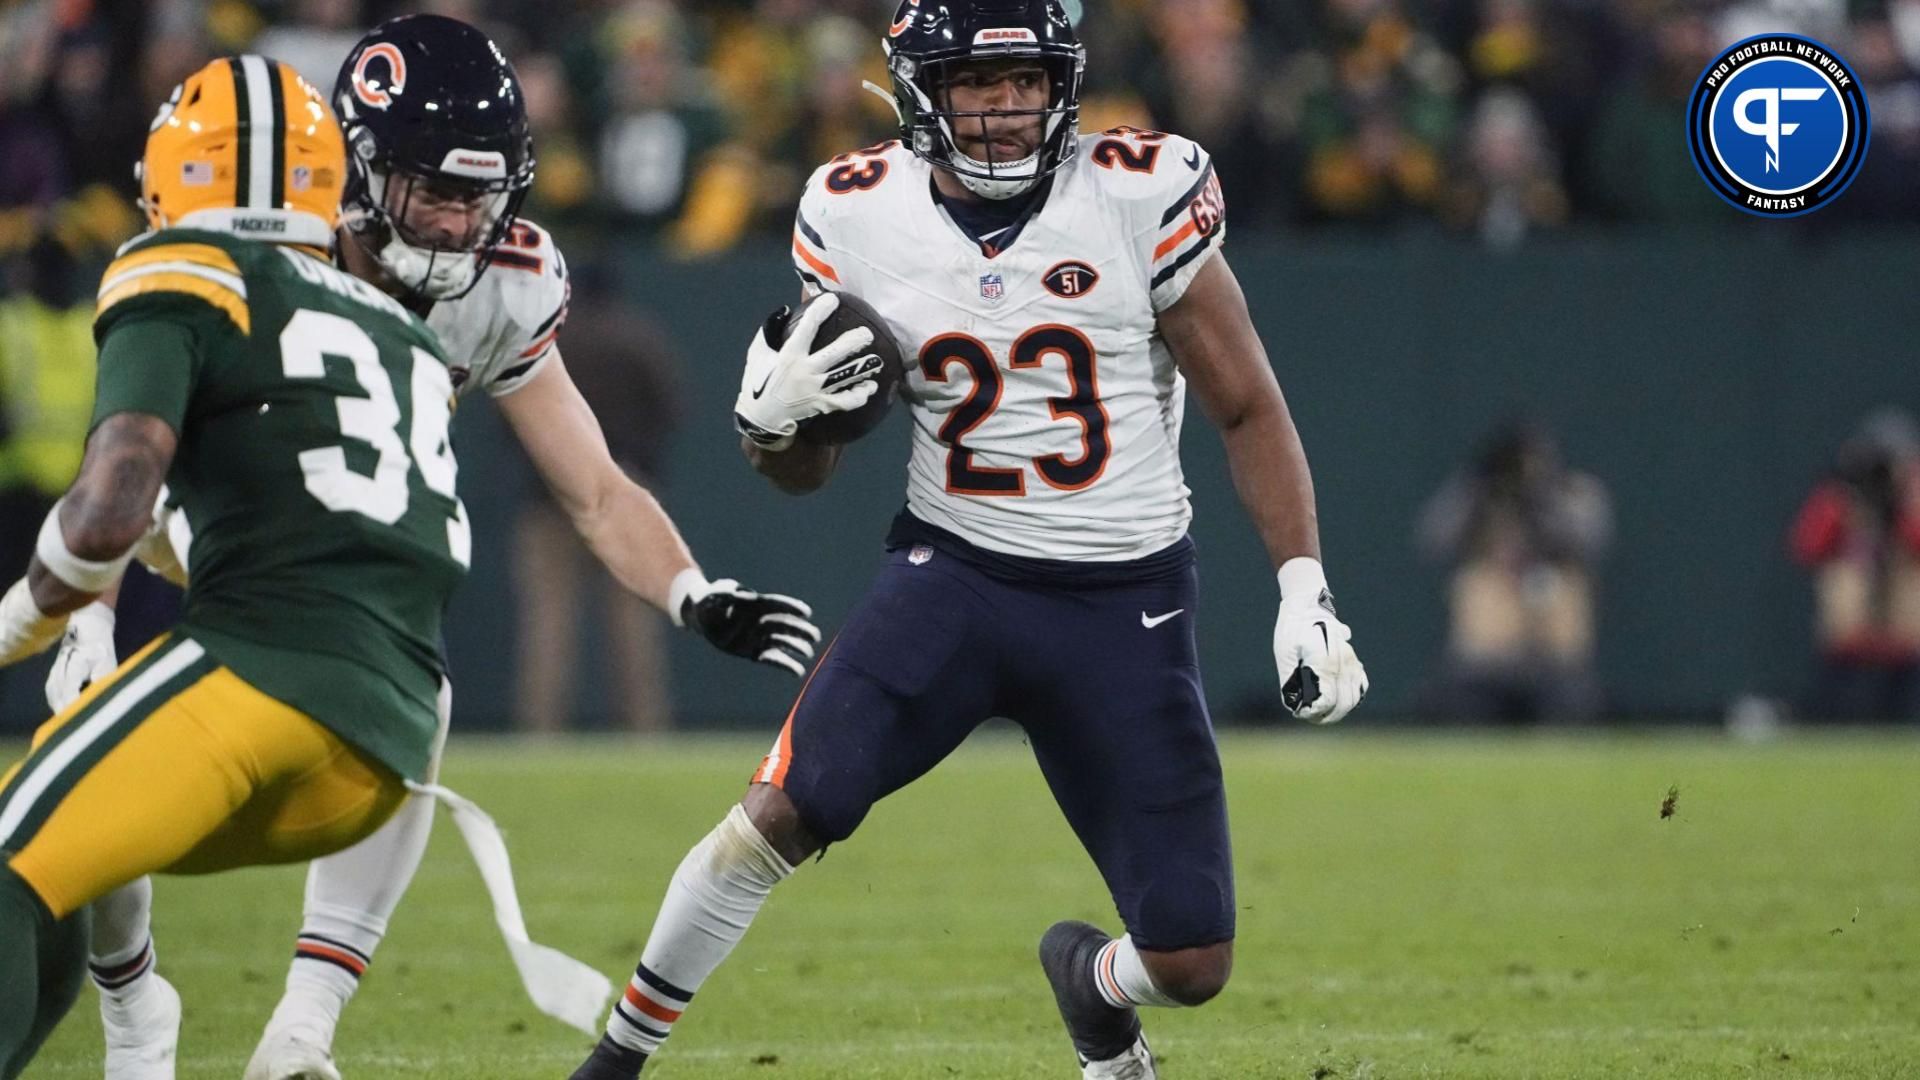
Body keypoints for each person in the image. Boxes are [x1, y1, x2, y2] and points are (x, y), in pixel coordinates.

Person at [569, 2, 1369, 1078]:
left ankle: (1093, 986)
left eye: (1024, 83)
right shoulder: (854, 213)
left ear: (1063, 83)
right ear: (916, 93)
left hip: (1123, 602)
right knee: (776, 814)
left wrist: (1304, 590)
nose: (1001, 111)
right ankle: (610, 1066)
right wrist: (776, 428)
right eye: (973, 86)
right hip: (954, 577)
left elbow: (1248, 407)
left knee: (1191, 959)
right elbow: (804, 471)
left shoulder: (1138, 191)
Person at [47, 17, 824, 1080]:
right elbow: (129, 451)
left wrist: (692, 593)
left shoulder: (505, 279)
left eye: (481, 192)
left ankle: (304, 1028)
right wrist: (85, 605)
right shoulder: (268, 237)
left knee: (414, 680)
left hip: (343, 545)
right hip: (195, 512)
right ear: (359, 172)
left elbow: (594, 486)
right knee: (81, 750)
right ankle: (133, 1000)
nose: (461, 221)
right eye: (434, 190)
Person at [0, 54, 460, 1078]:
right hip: (391, 751)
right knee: (65, 839)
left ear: (174, 171)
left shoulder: (177, 267)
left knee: (11, 848)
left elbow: (112, 505)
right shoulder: (396, 328)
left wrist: (21, 621)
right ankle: (137, 1044)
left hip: (263, 677)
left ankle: (132, 1026)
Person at [1416, 420, 1611, 723]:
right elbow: (1434, 539)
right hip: (1483, 665)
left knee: (1570, 723)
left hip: (1555, 662)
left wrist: (1540, 499)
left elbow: (1587, 541)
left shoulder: (1575, 494)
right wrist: (1477, 486)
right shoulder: (1483, 502)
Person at [1789, 409, 1920, 720]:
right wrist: (1844, 509)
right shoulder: (1843, 498)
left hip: (1908, 641)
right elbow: (1805, 547)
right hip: (1851, 643)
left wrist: (1907, 508)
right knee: (1842, 723)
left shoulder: (1913, 500)